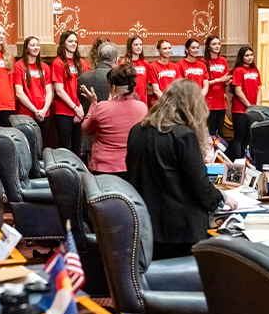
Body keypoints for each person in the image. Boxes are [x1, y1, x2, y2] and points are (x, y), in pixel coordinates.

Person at [126, 79, 237, 260]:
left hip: (144, 224)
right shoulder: (184, 136)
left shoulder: (136, 130)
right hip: (180, 232)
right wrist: (222, 198)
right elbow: (199, 186)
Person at [80, 63, 147, 179]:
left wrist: (93, 105)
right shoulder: (142, 108)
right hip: (131, 167)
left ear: (113, 87)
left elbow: (86, 129)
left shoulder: (101, 107)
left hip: (104, 168)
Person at [51, 30, 89, 155]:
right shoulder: (58, 63)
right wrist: (75, 108)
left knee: (77, 148)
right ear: (63, 43)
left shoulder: (81, 63)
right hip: (63, 111)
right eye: (70, 41)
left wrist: (80, 109)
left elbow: (85, 87)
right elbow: (59, 90)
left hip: (79, 110)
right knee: (64, 147)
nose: (74, 44)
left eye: (75, 42)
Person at [12, 36, 52, 135]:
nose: (36, 47)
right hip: (26, 113)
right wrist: (35, 111)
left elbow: (49, 92)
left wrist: (43, 111)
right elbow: (19, 93)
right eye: (32, 45)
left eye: (38, 45)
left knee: (42, 145)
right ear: (26, 48)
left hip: (44, 114)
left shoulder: (45, 67)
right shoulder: (19, 66)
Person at [228, 47, 261, 159]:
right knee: (239, 137)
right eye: (247, 55)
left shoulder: (255, 70)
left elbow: (259, 89)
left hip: (252, 110)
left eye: (251, 55)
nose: (250, 57)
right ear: (241, 57)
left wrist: (257, 106)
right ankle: (237, 162)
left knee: (248, 137)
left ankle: (243, 159)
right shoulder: (238, 70)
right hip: (240, 110)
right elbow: (238, 91)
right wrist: (249, 106)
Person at [204, 35, 231, 138]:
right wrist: (218, 80)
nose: (217, 46)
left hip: (221, 101)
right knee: (210, 132)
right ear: (208, 46)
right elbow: (204, 82)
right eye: (214, 44)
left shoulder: (223, 60)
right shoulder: (203, 62)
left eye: (218, 44)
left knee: (220, 132)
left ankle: (219, 153)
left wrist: (226, 82)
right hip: (209, 102)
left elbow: (226, 77)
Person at [148, 38, 181, 106]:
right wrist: (167, 103)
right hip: (160, 103)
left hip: (174, 102)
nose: (168, 51)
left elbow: (179, 86)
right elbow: (156, 90)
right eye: (165, 48)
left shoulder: (175, 66)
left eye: (169, 48)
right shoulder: (153, 66)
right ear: (159, 50)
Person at [125, 36, 149, 105]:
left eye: (141, 44)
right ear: (130, 46)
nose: (139, 47)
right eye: (136, 45)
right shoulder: (124, 63)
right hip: (128, 100)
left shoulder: (145, 63)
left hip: (142, 100)